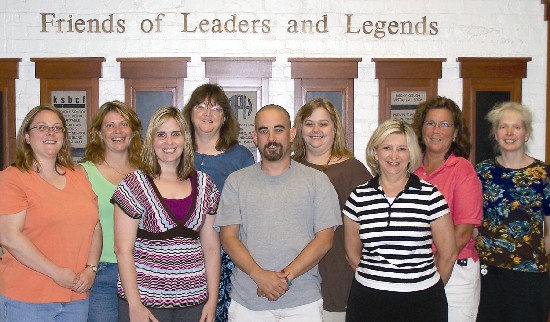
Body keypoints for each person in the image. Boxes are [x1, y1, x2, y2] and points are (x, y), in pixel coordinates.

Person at [214, 104, 341, 322]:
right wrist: (259, 276)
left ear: (292, 134)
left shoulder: (317, 181)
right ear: (255, 137)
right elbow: (228, 237)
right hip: (248, 302)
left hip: (303, 303)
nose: (271, 137)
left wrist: (283, 279)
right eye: (264, 131)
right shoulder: (237, 181)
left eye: (279, 129)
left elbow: (325, 239)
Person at [112, 106, 220, 322]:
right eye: (161, 135)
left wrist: (212, 300)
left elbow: (211, 247)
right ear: (151, 140)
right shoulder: (134, 184)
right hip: (146, 306)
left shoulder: (205, 184)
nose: (169, 142)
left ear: (185, 139)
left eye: (175, 134)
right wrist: (135, 306)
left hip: (194, 304)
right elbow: (123, 250)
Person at [343, 119, 457, 322]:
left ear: (411, 154)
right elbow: (352, 254)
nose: (394, 156)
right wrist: (378, 279)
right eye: (387, 148)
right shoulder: (358, 197)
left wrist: (424, 286)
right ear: (375, 152)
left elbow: (448, 254)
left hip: (422, 302)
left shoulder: (430, 196)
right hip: (368, 301)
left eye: (402, 149)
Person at [0, 104, 102, 321]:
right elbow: (9, 237)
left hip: (76, 297)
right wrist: (57, 274)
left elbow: (95, 225)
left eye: (57, 128)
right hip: (27, 300)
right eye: (42, 127)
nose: (51, 133)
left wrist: (91, 268)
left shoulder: (78, 175)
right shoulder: (13, 178)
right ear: (27, 136)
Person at [292, 98, 372, 322]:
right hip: (296, 277)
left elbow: (370, 229)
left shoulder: (354, 171)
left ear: (335, 128)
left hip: (339, 274)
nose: (316, 130)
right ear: (300, 129)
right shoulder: (290, 168)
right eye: (309, 123)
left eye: (323, 124)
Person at [183, 84, 255, 322]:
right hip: (179, 253)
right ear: (190, 113)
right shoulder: (174, 151)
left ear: (225, 117)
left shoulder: (241, 157)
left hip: (225, 255)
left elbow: (249, 211)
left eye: (215, 108)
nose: (207, 113)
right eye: (201, 106)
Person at [475, 102, 550, 322]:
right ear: (495, 133)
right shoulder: (481, 172)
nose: (509, 133)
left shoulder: (542, 174)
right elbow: (472, 222)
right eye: (503, 127)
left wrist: (530, 256)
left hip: (530, 277)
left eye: (516, 127)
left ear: (526, 134)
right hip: (488, 275)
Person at [411, 96, 483, 322]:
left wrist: (435, 274)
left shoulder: (463, 170)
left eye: (444, 124)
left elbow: (462, 233)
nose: (436, 131)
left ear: (455, 132)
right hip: (418, 271)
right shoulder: (411, 171)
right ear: (421, 128)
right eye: (430, 123)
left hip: (456, 273)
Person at [80, 100, 143, 322]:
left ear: (133, 131)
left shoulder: (147, 173)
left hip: (143, 270)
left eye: (123, 124)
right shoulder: (82, 173)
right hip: (101, 272)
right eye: (109, 125)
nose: (117, 131)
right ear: (99, 133)